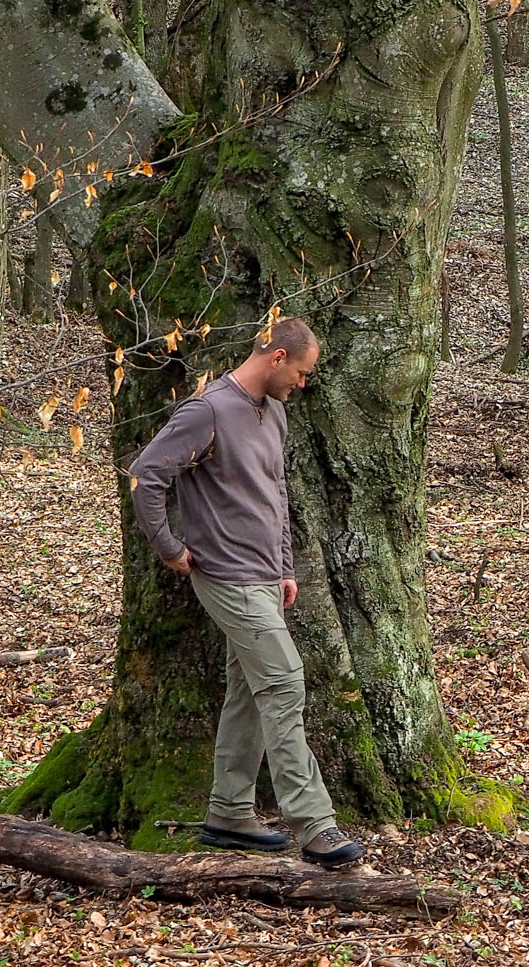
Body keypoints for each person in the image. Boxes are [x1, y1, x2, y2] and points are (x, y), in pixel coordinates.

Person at [127, 317, 365, 869]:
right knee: (284, 684)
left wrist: (284, 565)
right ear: (277, 358)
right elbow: (147, 476)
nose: (303, 385)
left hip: (263, 575)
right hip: (226, 576)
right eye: (302, 373)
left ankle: (230, 811)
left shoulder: (274, 411)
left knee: (250, 690)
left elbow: (275, 494)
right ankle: (316, 826)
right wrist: (168, 548)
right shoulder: (208, 410)